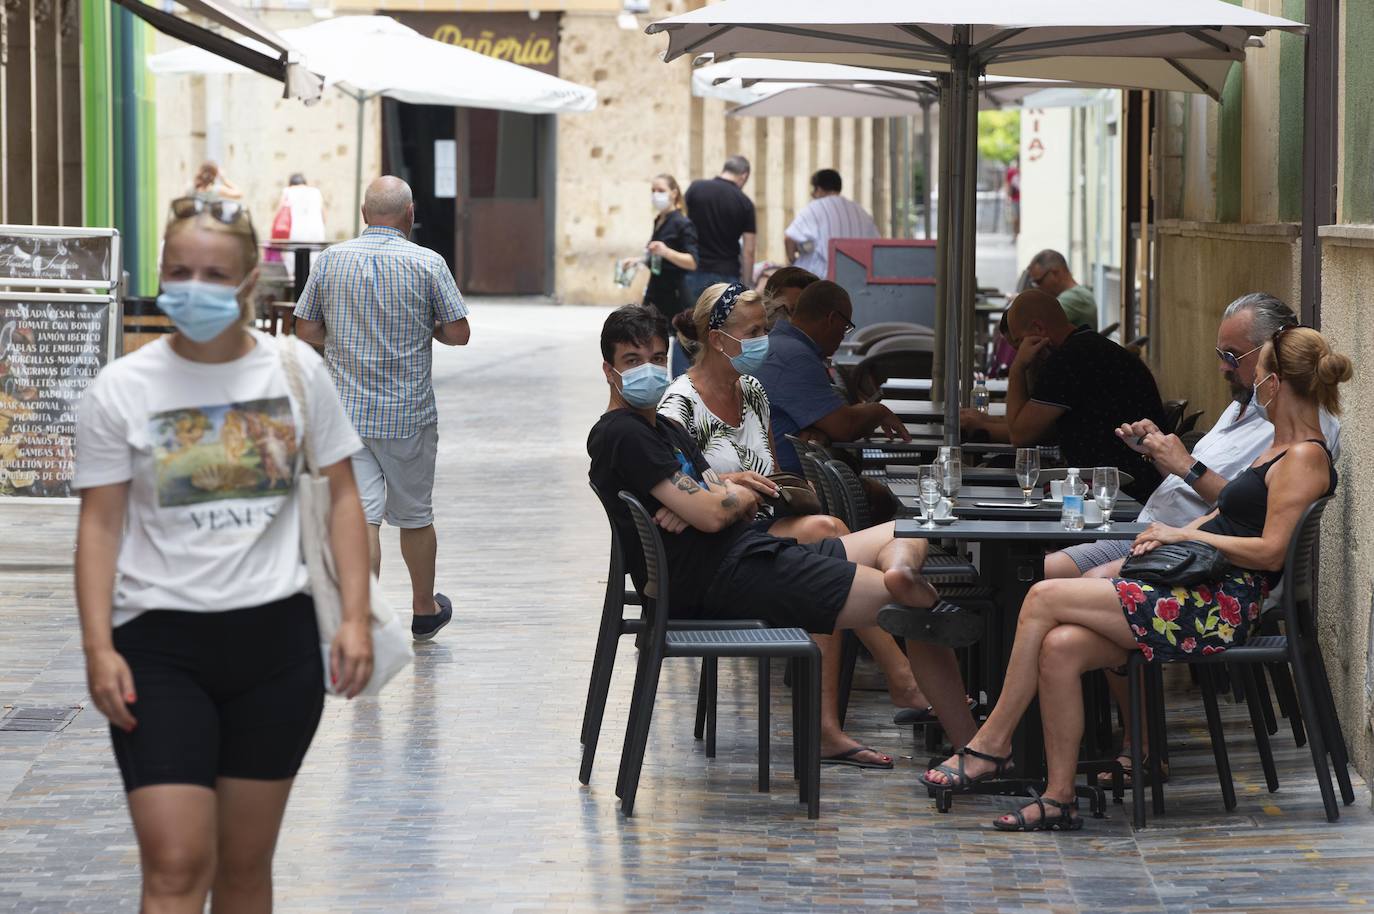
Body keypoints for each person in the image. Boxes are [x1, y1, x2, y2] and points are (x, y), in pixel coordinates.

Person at [922, 325, 1351, 831]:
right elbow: (1227, 518)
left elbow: (1271, 550)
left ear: (1275, 384)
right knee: (1061, 645)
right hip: (1199, 592)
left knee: (1041, 596)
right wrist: (1170, 535)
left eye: (1256, 376)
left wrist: (1184, 538)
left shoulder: (1303, 456)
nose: (1250, 385)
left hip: (1220, 610)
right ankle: (1059, 798)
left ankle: (992, 743)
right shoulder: (1279, 447)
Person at [74, 196, 373, 910]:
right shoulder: (121, 389)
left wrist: (355, 618)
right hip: (157, 644)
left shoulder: (296, 370)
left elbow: (342, 497)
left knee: (244, 867)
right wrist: (96, 648)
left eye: (214, 273)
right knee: (177, 864)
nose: (194, 288)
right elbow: (100, 527)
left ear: (249, 283)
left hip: (277, 646)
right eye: (179, 271)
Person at [590, 305, 978, 769]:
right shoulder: (622, 433)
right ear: (609, 371)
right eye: (633, 362)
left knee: (908, 526)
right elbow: (717, 512)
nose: (649, 371)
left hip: (747, 553)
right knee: (918, 607)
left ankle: (899, 569)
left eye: (656, 358)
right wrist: (720, 499)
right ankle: (977, 752)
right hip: (726, 577)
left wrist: (714, 498)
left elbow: (718, 497)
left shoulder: (664, 427)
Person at [1042, 292, 1341, 782]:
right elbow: (1236, 507)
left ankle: (1127, 746)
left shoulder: (1297, 438)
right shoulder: (1248, 412)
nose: (1224, 369)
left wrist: (1183, 468)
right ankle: (1087, 749)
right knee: (1062, 614)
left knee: (1057, 586)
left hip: (1210, 572)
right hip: (1174, 541)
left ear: (1274, 367)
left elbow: (1252, 523)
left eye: (1232, 357)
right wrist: (1164, 469)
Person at [660, 283, 944, 721]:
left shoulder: (752, 389)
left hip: (763, 522)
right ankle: (898, 677)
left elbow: (772, 471)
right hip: (720, 545)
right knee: (824, 533)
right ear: (718, 340)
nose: (764, 341)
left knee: (828, 537)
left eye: (765, 329)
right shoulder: (679, 404)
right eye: (754, 331)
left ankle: (879, 690)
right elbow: (678, 488)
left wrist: (756, 481)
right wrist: (726, 480)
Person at [293, 176, 471, 641]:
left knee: (361, 515)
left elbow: (305, 330)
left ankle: (364, 615)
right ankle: (423, 608)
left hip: (346, 415)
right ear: (410, 214)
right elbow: (458, 333)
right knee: (414, 516)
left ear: (363, 212)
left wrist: (343, 340)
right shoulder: (429, 263)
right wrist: (423, 328)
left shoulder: (330, 260)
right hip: (407, 415)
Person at [961, 288, 1165, 501]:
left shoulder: (1068, 360)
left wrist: (1018, 368)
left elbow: (1020, 436)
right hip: (1131, 480)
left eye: (1019, 342)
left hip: (1119, 490)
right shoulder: (1086, 345)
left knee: (995, 486)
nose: (1019, 351)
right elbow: (1042, 430)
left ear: (1038, 329)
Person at [753, 280, 909, 475]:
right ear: (832, 319)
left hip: (774, 474)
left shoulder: (780, 345)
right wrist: (878, 411)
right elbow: (845, 427)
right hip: (785, 484)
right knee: (881, 498)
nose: (843, 336)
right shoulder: (797, 356)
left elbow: (830, 423)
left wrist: (823, 432)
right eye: (845, 327)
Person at [784, 169, 879, 279]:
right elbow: (877, 243)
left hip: (820, 280)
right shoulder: (860, 211)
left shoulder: (815, 208)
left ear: (818, 189)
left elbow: (789, 238)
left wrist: (792, 260)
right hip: (858, 278)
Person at [684, 156, 756, 299]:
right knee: (723, 321)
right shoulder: (745, 203)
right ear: (744, 175)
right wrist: (747, 284)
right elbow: (749, 251)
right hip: (727, 275)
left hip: (694, 270)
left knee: (691, 319)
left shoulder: (695, 188)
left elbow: (683, 224)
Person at [1026, 249, 1096, 329]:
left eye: (1039, 281)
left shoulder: (1076, 297)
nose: (1037, 287)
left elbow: (1036, 324)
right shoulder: (1076, 295)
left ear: (1055, 273)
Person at [1005, 160, 1021, 239]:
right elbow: (1008, 184)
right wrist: (1008, 197)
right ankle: (1015, 234)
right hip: (1015, 199)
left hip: (1022, 199)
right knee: (1015, 217)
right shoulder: (1012, 172)